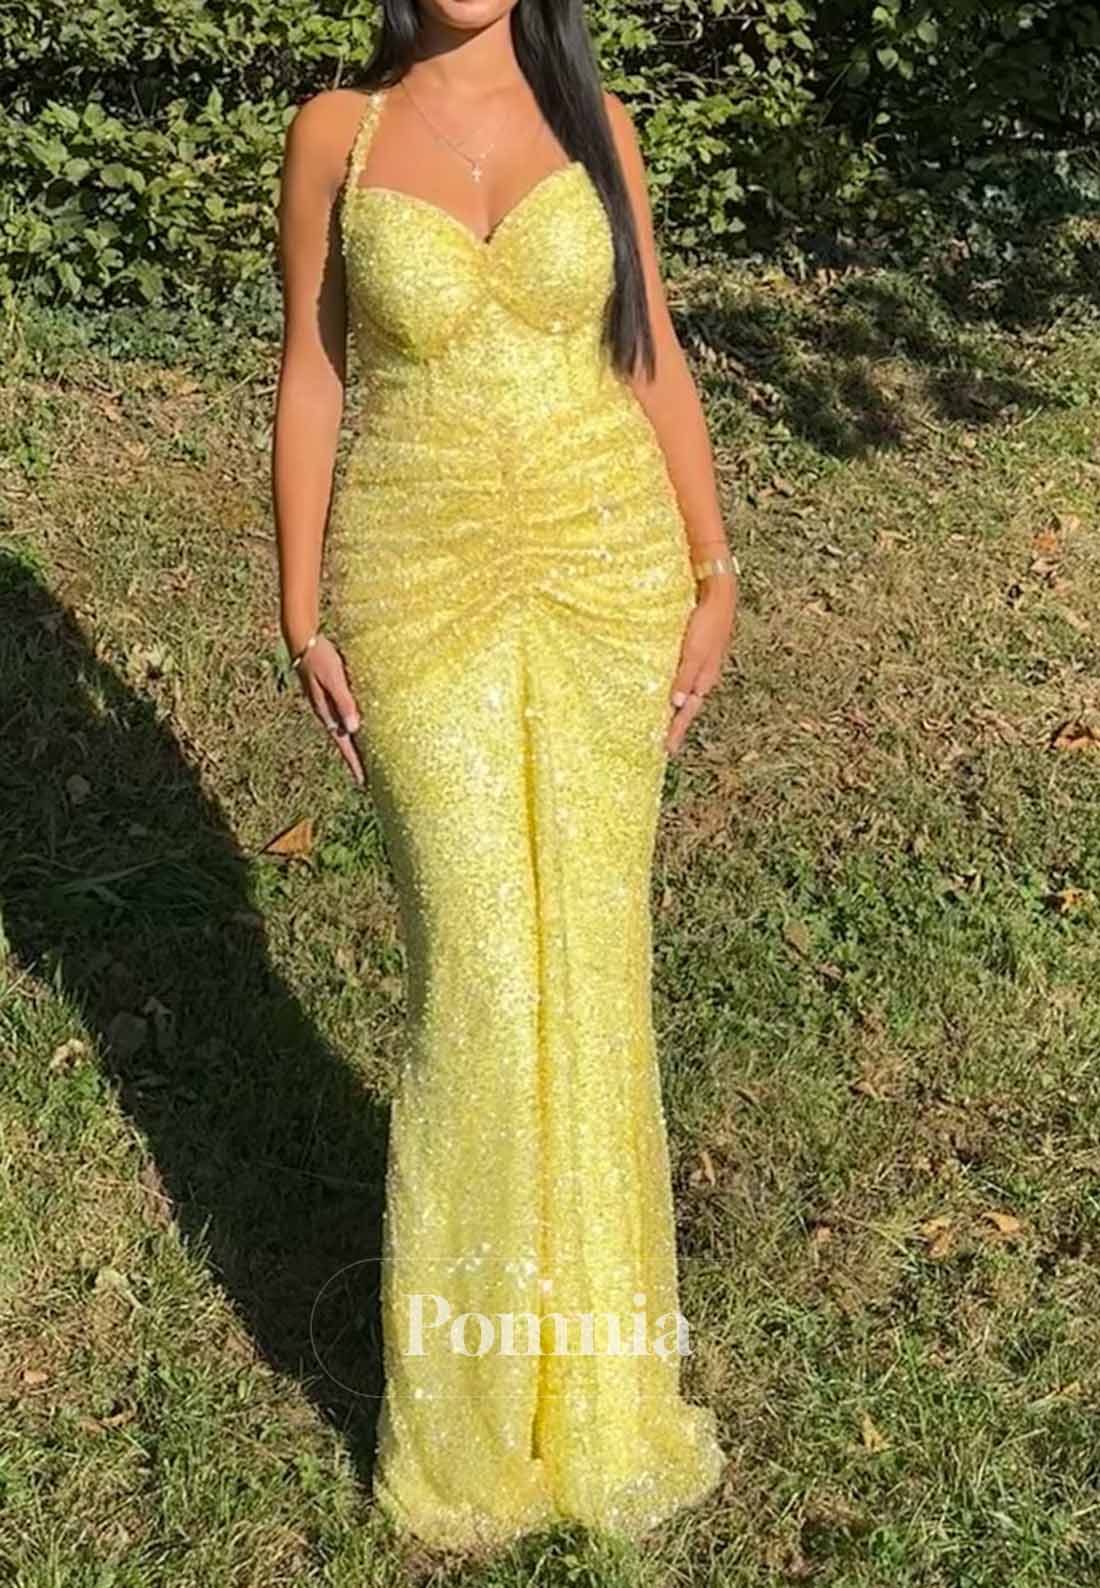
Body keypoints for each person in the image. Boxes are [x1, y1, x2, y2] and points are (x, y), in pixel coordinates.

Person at [272, 0, 735, 1555]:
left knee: (592, 970)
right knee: (475, 977)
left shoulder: (601, 132)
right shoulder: (336, 134)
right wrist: (297, 606)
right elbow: (314, 373)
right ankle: (470, 1428)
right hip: (416, 586)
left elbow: (649, 353)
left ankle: (599, 1398)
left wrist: (715, 565)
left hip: (609, 576)